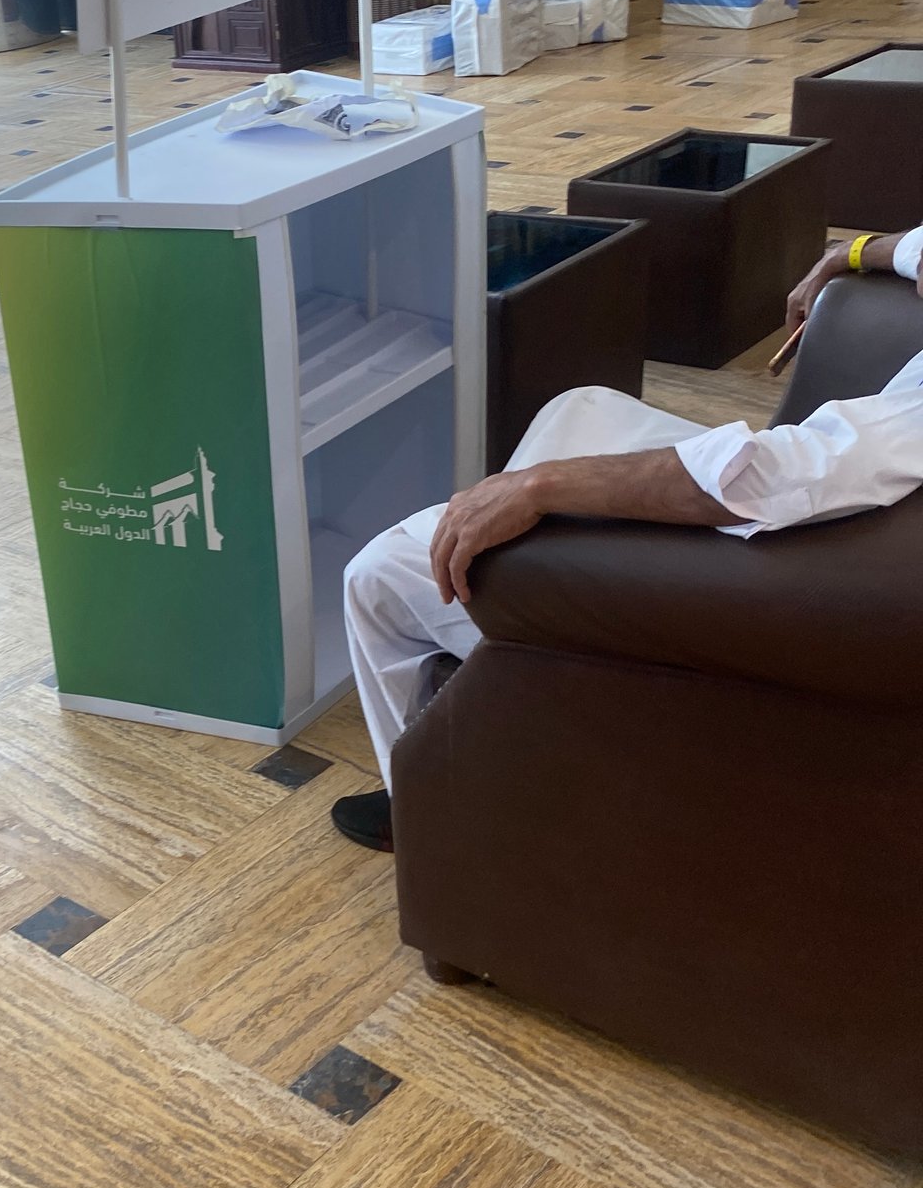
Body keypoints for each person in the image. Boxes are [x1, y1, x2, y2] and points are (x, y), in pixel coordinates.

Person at [333, 223, 923, 852]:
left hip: (781, 561)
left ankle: (431, 804)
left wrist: (540, 488)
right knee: (581, 407)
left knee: (379, 574)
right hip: (824, 518)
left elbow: (783, 476)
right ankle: (503, 675)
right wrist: (849, 253)